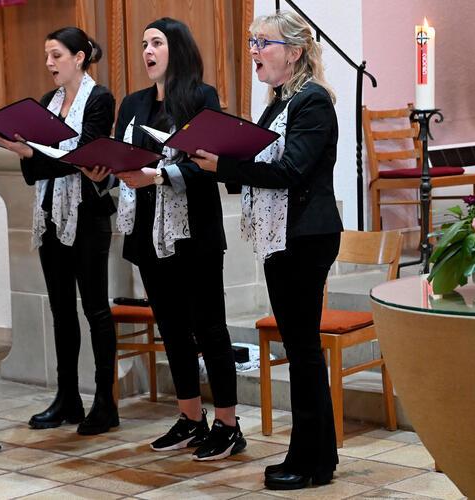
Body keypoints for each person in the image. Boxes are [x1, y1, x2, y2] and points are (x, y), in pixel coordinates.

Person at [192, 10, 343, 489]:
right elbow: (261, 158)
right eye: (252, 42)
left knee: (302, 351)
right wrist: (217, 158)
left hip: (306, 235)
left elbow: (291, 171)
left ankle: (311, 462)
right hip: (287, 234)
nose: (254, 51)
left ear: (294, 52)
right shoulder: (281, 100)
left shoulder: (311, 102)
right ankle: (317, 457)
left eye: (263, 43)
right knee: (301, 350)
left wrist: (225, 168)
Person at [111, 17, 245, 461]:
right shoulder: (133, 104)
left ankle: (228, 424)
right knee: (171, 328)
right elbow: (120, 157)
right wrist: (105, 171)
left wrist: (159, 174)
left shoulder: (201, 99)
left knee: (209, 328)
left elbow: (209, 164)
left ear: (178, 50)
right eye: (144, 44)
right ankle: (190, 417)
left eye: (157, 43)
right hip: (149, 235)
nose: (147, 51)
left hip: (194, 233)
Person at [0, 27, 119, 435]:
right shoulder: (48, 102)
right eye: (47, 56)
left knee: (95, 308)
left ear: (79, 57)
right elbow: (41, 167)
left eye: (56, 55)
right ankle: (68, 398)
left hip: (87, 214)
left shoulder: (99, 99)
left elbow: (86, 158)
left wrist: (33, 153)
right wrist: (25, 152)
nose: (49, 63)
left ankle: (105, 401)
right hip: (50, 214)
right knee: (61, 309)